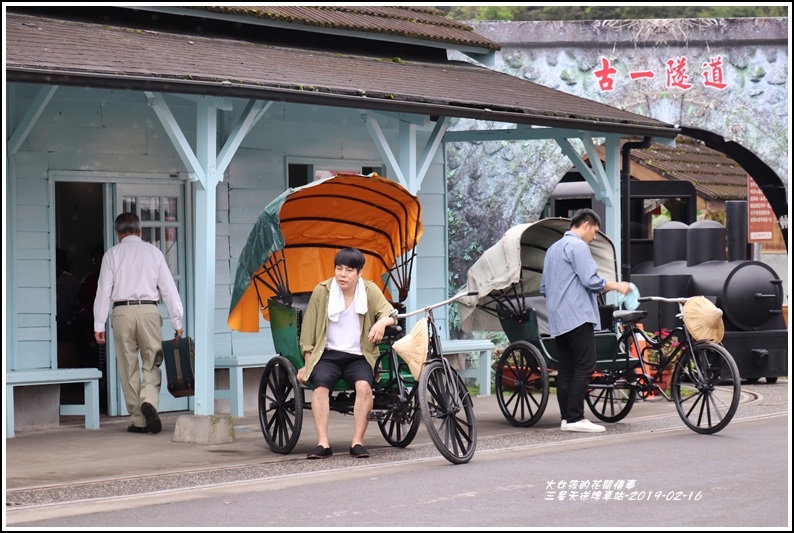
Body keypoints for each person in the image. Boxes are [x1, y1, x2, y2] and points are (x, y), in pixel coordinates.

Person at [296, 247, 397, 459]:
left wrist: (381, 323)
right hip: (328, 354)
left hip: (359, 356)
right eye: (339, 268)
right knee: (320, 387)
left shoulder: (369, 290)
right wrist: (308, 363)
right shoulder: (322, 291)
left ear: (359, 273)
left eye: (349, 270)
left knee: (364, 387)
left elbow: (390, 314)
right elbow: (308, 333)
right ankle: (323, 443)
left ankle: (357, 442)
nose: (342, 274)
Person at [540, 208, 632, 433]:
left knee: (567, 367)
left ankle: (567, 418)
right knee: (586, 364)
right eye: (595, 232)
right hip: (577, 315)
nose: (594, 238)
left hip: (558, 317)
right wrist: (618, 285)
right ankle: (576, 418)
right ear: (586, 225)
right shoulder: (578, 246)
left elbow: (544, 288)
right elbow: (591, 281)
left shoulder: (553, 249)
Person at [93, 213, 184, 434]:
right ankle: (150, 401)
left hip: (122, 312)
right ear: (139, 231)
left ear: (118, 233)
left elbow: (104, 291)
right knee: (152, 360)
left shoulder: (112, 255)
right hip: (149, 310)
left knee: (127, 366)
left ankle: (139, 420)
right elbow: (169, 289)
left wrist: (99, 324)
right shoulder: (154, 253)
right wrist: (177, 320)